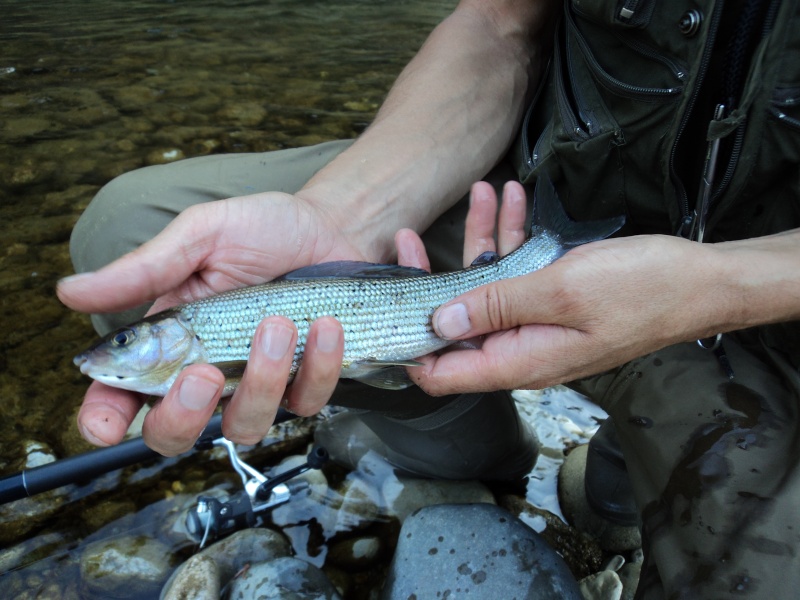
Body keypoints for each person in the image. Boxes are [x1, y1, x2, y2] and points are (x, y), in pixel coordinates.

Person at [57, 0, 800, 597]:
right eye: (126, 346)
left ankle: (618, 488)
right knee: (129, 236)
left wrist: (727, 288)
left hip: (769, 306)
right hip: (523, 203)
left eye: (124, 349)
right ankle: (486, 459)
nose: (111, 355)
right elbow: (498, 22)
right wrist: (347, 216)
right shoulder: (199, 328)